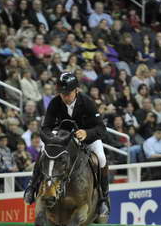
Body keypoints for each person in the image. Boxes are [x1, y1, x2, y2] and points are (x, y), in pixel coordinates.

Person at [23, 71, 110, 218]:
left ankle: (103, 199)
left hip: (88, 138)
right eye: (62, 93)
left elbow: (101, 128)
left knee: (101, 159)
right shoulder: (55, 102)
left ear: (76, 90)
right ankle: (32, 187)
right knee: (44, 151)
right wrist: (51, 139)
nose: (64, 97)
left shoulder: (87, 102)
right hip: (62, 140)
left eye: (68, 93)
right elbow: (46, 127)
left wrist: (86, 134)